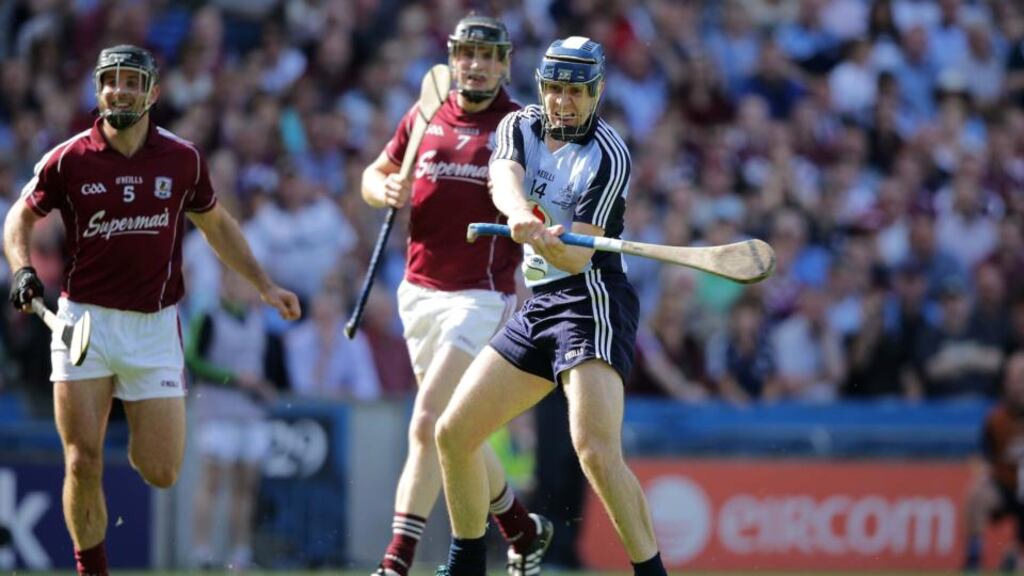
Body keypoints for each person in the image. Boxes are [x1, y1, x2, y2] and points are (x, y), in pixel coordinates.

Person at [2, 45, 300, 576]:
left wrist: (264, 284)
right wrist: (23, 269)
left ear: (153, 93)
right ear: (98, 89)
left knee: (161, 470)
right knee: (82, 459)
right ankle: (91, 569)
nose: (120, 89)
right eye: (111, 80)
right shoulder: (69, 157)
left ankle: (135, 417)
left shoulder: (182, 158)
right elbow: (17, 222)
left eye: (132, 81)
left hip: (155, 329)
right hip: (81, 322)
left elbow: (218, 226)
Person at [435, 36, 669, 576]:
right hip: (539, 304)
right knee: (454, 433)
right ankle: (465, 567)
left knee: (594, 450)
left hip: (593, 300)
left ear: (597, 92)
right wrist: (519, 212)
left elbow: (573, 259)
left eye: (576, 92)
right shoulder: (520, 125)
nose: (563, 102)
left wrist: (542, 238)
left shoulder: (610, 157)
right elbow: (503, 176)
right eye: (555, 89)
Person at [359, 16, 551, 576]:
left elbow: (529, 194)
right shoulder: (426, 113)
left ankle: (397, 560)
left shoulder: (516, 125)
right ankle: (520, 526)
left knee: (427, 423)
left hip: (481, 297)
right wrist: (383, 188)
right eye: (468, 53)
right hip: (417, 294)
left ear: (505, 63)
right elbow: (375, 174)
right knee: (455, 430)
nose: (478, 64)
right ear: (453, 57)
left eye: (490, 56)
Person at [186, 266, 286, 570]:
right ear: (225, 283)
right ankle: (202, 551)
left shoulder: (258, 320)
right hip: (218, 410)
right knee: (213, 482)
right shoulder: (209, 317)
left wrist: (265, 387)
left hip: (251, 412)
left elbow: (266, 366)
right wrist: (232, 378)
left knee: (245, 487)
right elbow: (192, 359)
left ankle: (239, 553)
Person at [964, 351, 1024, 573]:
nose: (1019, 386)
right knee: (977, 494)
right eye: (1015, 379)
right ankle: (973, 558)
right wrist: (983, 475)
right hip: (1005, 486)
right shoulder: (995, 420)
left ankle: (1014, 554)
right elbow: (984, 458)